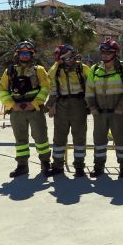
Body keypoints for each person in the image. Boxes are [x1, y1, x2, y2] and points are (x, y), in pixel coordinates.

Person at [0, 41, 51, 177]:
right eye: (22, 53)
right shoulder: (9, 71)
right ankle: (22, 166)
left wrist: (34, 103)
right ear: (18, 54)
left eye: (27, 53)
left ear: (31, 55)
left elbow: (46, 88)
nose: (25, 56)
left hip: (35, 110)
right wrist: (11, 105)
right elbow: (3, 90)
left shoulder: (39, 70)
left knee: (41, 137)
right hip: (16, 111)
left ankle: (45, 164)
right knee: (20, 140)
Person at [85, 38, 123, 178]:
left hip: (117, 113)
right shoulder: (94, 70)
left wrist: (121, 107)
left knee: (121, 141)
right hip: (99, 113)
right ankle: (98, 167)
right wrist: (92, 107)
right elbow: (89, 91)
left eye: (108, 52)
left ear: (115, 53)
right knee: (99, 141)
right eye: (103, 52)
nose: (104, 54)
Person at [46, 44, 91, 177]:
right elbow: (50, 78)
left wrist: (90, 105)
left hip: (79, 104)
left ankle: (79, 166)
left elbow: (91, 84)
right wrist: (58, 63)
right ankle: (58, 166)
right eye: (65, 59)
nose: (68, 61)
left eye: (70, 57)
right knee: (59, 136)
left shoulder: (82, 68)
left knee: (79, 136)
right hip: (62, 105)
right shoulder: (56, 70)